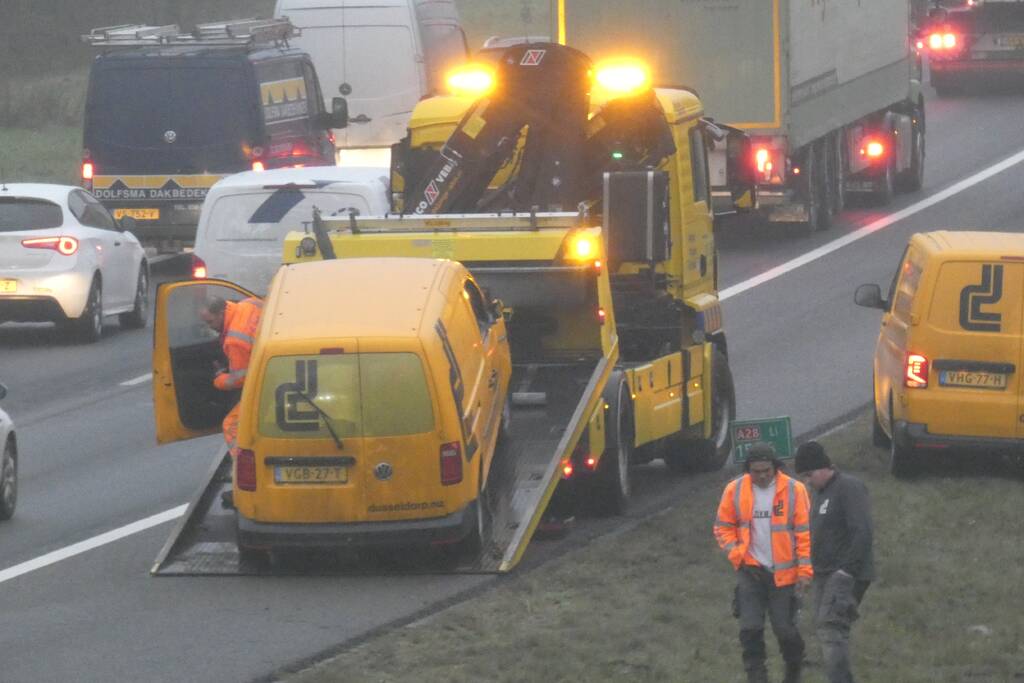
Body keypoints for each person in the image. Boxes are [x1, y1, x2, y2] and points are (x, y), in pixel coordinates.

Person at [714, 443, 813, 683]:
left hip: (784, 577)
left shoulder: (795, 490)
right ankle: (757, 677)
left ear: (775, 468)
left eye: (766, 471)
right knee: (750, 630)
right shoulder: (734, 490)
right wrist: (739, 556)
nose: (761, 476)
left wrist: (804, 572)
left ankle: (794, 669)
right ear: (748, 470)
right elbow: (722, 528)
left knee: (785, 630)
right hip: (750, 573)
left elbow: (805, 534)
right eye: (756, 471)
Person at [794, 441, 875, 683]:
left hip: (844, 574)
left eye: (809, 474)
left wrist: (847, 570)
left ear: (823, 467)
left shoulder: (849, 487)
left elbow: (862, 531)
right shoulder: (820, 494)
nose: (807, 481)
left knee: (830, 628)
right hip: (822, 574)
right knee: (827, 629)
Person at [200, 296, 263, 457]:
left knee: (231, 425)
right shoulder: (248, 304)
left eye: (211, 322)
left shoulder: (235, 341)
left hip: (267, 382)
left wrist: (219, 379)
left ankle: (245, 463)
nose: (210, 327)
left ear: (221, 313)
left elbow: (239, 379)